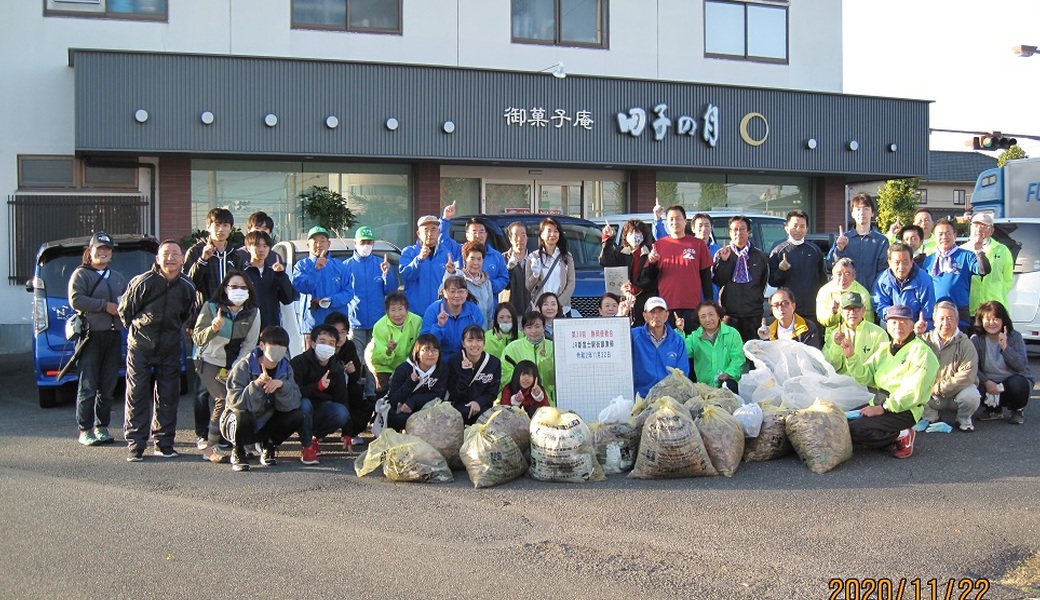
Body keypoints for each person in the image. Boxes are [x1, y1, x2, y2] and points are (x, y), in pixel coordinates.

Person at [119, 240, 196, 462]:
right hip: (141, 346)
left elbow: (186, 314)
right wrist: (141, 330)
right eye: (165, 254)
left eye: (175, 254)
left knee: (169, 396)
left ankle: (164, 443)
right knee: (137, 394)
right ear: (157, 258)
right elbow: (126, 312)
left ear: (182, 259)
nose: (170, 258)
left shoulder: (187, 286)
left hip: (170, 346)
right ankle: (136, 444)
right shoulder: (143, 282)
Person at [184, 208, 246, 451]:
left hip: (232, 325)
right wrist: (203, 260)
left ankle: (225, 431)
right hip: (205, 325)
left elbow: (243, 284)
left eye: (225, 225)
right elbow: (189, 284)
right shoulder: (197, 252)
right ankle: (202, 433)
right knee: (203, 385)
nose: (221, 229)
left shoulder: (236, 254)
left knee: (228, 379)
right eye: (216, 225)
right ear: (208, 227)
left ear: (231, 228)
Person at [842, 305, 939, 459]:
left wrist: (883, 408)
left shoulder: (921, 352)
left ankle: (901, 435)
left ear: (912, 324)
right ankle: (883, 436)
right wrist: (851, 356)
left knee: (856, 430)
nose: (898, 326)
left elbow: (912, 392)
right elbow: (866, 377)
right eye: (893, 322)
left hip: (904, 409)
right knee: (842, 422)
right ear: (887, 325)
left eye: (903, 322)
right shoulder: (884, 348)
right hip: (879, 400)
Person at [192, 271, 261, 464]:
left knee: (242, 397)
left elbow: (250, 344)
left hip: (236, 360)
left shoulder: (253, 311)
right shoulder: (211, 307)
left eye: (243, 287)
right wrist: (213, 328)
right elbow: (198, 337)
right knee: (223, 399)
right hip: (209, 359)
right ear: (225, 289)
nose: (238, 291)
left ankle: (239, 441)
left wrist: (236, 367)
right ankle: (209, 446)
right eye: (233, 286)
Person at [68, 232, 127, 446]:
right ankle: (85, 429)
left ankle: (102, 427)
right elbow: (76, 300)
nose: (103, 252)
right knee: (88, 385)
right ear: (90, 251)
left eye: (107, 249)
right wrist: (105, 306)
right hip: (90, 337)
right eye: (99, 248)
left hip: (113, 336)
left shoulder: (119, 277)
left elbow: (126, 301)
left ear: (112, 253)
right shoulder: (81, 275)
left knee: (108, 385)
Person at [223, 326, 304, 472]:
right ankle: (238, 450)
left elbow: (294, 401)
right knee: (241, 414)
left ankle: (269, 444)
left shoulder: (286, 369)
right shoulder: (243, 367)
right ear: (262, 345)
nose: (278, 349)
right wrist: (257, 385)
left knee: (297, 414)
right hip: (241, 422)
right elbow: (234, 402)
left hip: (268, 420)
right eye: (274, 344)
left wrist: (281, 385)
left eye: (282, 346)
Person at [343, 225, 396, 402]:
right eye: (362, 242)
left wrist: (388, 274)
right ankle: (355, 395)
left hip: (377, 323)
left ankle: (372, 395)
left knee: (374, 361)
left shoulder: (380, 264)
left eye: (369, 242)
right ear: (355, 243)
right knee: (356, 361)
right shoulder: (346, 267)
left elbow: (391, 290)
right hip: (355, 323)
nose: (366, 245)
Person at [291, 325, 350, 464]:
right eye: (322, 342)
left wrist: (347, 433)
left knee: (341, 412)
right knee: (304, 404)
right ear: (312, 343)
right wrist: (317, 387)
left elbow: (342, 399)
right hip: (300, 410)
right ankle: (307, 446)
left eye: (331, 344)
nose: (327, 346)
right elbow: (294, 393)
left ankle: (314, 437)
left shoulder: (336, 367)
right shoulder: (299, 362)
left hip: (322, 409)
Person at [919, 301, 981, 432]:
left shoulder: (966, 344)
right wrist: (916, 335)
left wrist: (939, 388)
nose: (945, 323)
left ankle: (963, 419)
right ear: (934, 321)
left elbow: (967, 376)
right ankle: (930, 416)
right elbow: (909, 361)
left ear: (957, 320)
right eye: (941, 318)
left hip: (955, 393)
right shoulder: (924, 340)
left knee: (972, 395)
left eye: (950, 318)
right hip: (931, 395)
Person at [650, 206, 712, 333]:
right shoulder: (659, 245)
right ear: (666, 223)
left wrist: (709, 304)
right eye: (671, 219)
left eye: (678, 218)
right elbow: (651, 277)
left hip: (692, 306)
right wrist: (652, 262)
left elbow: (706, 277)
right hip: (666, 306)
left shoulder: (698, 244)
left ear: (685, 221)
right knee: (669, 346)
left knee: (691, 346)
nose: (674, 222)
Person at [972, 301, 1033, 425]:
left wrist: (1005, 347)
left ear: (1003, 320)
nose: (991, 323)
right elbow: (972, 366)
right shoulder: (976, 339)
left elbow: (1021, 366)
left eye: (995, 319)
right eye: (987, 319)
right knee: (971, 386)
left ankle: (1017, 409)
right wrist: (986, 381)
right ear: (981, 321)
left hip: (1011, 381)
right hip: (988, 382)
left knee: (1018, 384)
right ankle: (994, 410)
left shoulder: (1015, 337)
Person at [921, 218, 989, 329]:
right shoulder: (929, 260)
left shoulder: (967, 255)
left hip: (959, 310)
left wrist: (979, 251)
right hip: (936, 311)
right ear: (935, 237)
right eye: (940, 234)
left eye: (948, 233)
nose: (944, 237)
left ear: (955, 235)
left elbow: (984, 270)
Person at [713, 215, 769, 343]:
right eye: (735, 229)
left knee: (753, 353)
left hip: (753, 315)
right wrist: (725, 262)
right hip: (728, 315)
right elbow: (718, 281)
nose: (739, 233)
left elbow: (763, 283)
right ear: (730, 232)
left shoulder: (760, 256)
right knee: (728, 354)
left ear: (749, 232)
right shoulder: (721, 254)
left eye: (743, 229)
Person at [291, 226, 353, 336]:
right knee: (310, 353)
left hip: (336, 327)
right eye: (314, 241)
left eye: (322, 240)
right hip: (312, 326)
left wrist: (331, 300)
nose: (319, 244)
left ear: (329, 244)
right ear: (308, 245)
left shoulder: (340, 266)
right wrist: (315, 270)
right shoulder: (301, 266)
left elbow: (349, 292)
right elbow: (301, 287)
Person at [768, 210, 826, 326]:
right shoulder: (778, 251)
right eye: (795, 226)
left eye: (802, 226)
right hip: (789, 311)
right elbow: (772, 281)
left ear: (807, 229)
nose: (798, 230)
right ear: (787, 228)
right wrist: (781, 271)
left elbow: (823, 280)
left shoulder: (814, 250)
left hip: (812, 310)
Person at [599, 218, 658, 325]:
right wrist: (608, 239)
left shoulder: (649, 253)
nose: (635, 236)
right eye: (631, 233)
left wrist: (653, 263)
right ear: (626, 235)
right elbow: (606, 262)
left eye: (638, 233)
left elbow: (652, 278)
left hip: (644, 301)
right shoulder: (621, 252)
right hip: (623, 300)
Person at [826, 192, 889, 292]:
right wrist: (839, 249)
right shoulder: (843, 239)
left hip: (872, 295)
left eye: (866, 209)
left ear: (872, 213)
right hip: (845, 294)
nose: (862, 212)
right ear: (852, 213)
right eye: (858, 209)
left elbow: (883, 271)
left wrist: (875, 293)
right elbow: (830, 266)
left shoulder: (881, 241)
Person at [385, 333, 449, 432]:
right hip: (403, 409)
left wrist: (414, 401)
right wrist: (411, 381)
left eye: (434, 350)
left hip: (428, 408)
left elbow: (438, 395)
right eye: (426, 350)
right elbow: (393, 399)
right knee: (399, 418)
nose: (431, 354)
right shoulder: (404, 369)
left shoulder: (442, 368)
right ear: (418, 353)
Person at [399, 214, 461, 316]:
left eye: (433, 229)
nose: (429, 234)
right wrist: (419, 259)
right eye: (425, 230)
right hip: (415, 312)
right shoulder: (409, 252)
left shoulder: (446, 253)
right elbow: (405, 275)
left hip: (441, 311)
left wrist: (452, 272)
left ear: (438, 232)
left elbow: (453, 282)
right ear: (418, 234)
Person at [674, 302, 743, 392]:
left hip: (727, 384)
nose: (708, 319)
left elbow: (738, 358)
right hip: (703, 388)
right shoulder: (695, 337)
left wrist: (729, 374)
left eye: (711, 315)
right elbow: (682, 351)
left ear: (719, 316)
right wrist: (679, 331)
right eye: (703, 316)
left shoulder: (732, 333)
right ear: (698, 319)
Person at [323, 312, 368, 448]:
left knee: (357, 390)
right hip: (326, 387)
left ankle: (351, 431)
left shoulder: (349, 346)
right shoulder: (322, 347)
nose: (340, 336)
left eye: (344, 332)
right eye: (337, 332)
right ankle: (319, 431)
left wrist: (353, 372)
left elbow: (356, 377)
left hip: (345, 387)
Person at [367, 292, 423, 401]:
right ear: (387, 312)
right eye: (393, 310)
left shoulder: (417, 321)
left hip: (409, 364)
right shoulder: (379, 326)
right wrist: (388, 351)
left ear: (407, 309)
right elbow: (379, 357)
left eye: (400, 309)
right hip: (385, 366)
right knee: (385, 392)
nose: (397, 314)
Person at [630, 297, 689, 397]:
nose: (656, 316)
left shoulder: (677, 340)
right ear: (645, 316)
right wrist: (620, 315)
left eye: (660, 312)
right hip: (640, 396)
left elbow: (682, 373)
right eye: (652, 312)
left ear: (666, 315)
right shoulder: (633, 336)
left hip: (669, 397)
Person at [822, 292, 887, 378]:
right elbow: (829, 366)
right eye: (848, 309)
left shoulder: (878, 333)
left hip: (868, 385)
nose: (852, 313)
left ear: (863, 310)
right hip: (840, 383)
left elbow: (882, 366)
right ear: (841, 312)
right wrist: (836, 345)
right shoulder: (835, 334)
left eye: (856, 309)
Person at [446, 325, 502, 425]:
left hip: (483, 406)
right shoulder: (454, 362)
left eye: (479, 340)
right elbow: (454, 394)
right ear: (463, 343)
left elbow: (492, 393)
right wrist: (466, 372)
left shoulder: (494, 363)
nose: (474, 345)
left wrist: (478, 402)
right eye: (470, 340)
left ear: (484, 343)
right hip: (459, 406)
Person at [421, 275, 484, 362]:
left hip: (464, 358)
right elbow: (426, 342)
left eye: (461, 291)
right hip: (438, 358)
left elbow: (478, 340)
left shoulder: (474, 311)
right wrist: (439, 326)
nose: (457, 295)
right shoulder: (433, 309)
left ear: (466, 293)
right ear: (444, 293)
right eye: (452, 291)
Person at [873, 243, 934, 331]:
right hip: (893, 321)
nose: (901, 267)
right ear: (889, 262)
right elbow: (880, 304)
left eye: (905, 262)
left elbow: (928, 307)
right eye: (897, 262)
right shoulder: (882, 280)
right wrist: (895, 316)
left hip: (916, 324)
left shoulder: (924, 279)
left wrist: (918, 323)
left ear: (912, 262)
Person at [241, 230, 296, 329]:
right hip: (248, 328)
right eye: (257, 246)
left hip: (272, 328)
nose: (261, 249)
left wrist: (281, 275)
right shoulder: (242, 274)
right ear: (248, 248)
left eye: (265, 246)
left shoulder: (274, 273)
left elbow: (288, 299)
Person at [442, 216, 509, 296]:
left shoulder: (496, 256)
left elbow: (504, 278)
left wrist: (487, 285)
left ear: (486, 234)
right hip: (463, 303)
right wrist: (445, 219)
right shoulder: (459, 251)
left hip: (487, 304)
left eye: (481, 231)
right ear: (467, 235)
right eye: (474, 232)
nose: (478, 235)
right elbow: (443, 241)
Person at [963, 213, 1013, 318]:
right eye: (976, 225)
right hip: (971, 309)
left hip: (995, 308)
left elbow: (1007, 280)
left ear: (992, 230)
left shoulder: (1002, 250)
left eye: (984, 226)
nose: (979, 229)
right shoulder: (963, 250)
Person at [501, 311, 556, 406]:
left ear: (544, 328)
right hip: (519, 400)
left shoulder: (554, 347)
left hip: (548, 401)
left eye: (537, 326)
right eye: (529, 327)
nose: (533, 331)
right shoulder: (512, 348)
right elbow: (504, 375)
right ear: (523, 329)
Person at [526, 216, 576, 316]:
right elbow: (528, 286)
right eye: (549, 231)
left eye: (556, 231)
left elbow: (571, 283)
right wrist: (535, 275)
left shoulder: (567, 256)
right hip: (539, 309)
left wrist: (557, 305)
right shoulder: (533, 257)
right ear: (541, 234)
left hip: (562, 309)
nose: (552, 234)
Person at [816, 257, 875, 335]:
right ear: (832, 277)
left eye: (847, 274)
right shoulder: (825, 291)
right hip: (832, 336)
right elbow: (822, 320)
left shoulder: (863, 294)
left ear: (854, 276)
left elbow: (868, 322)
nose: (843, 278)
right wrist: (834, 313)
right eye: (839, 274)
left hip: (858, 335)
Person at [445, 240, 494, 328]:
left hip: (482, 332)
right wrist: (450, 273)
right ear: (465, 259)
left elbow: (489, 311)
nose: (476, 263)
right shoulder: (458, 277)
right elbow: (442, 292)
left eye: (479, 259)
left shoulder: (487, 282)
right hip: (463, 331)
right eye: (472, 258)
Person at [501, 221, 531, 317]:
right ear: (510, 239)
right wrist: (509, 269)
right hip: (508, 313)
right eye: (516, 236)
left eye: (523, 235)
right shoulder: (502, 259)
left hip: (531, 312)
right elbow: (502, 284)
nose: (520, 239)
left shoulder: (535, 259)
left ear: (527, 237)